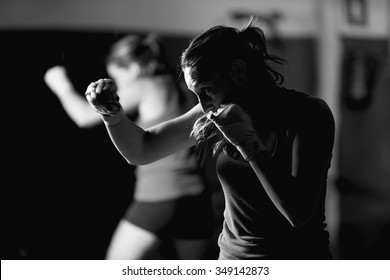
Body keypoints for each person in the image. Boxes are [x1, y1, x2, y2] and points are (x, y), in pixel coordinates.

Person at [85, 17, 336, 260]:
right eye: (196, 94)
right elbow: (141, 150)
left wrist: (248, 144)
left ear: (238, 70)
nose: (204, 105)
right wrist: (113, 116)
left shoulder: (308, 113)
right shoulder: (213, 111)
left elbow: (299, 212)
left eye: (206, 90)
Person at [44, 34, 215, 260]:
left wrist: (61, 86)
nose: (123, 86)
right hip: (197, 201)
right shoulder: (184, 87)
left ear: (133, 67)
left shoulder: (146, 84)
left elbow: (84, 117)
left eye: (118, 76)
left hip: (158, 197)